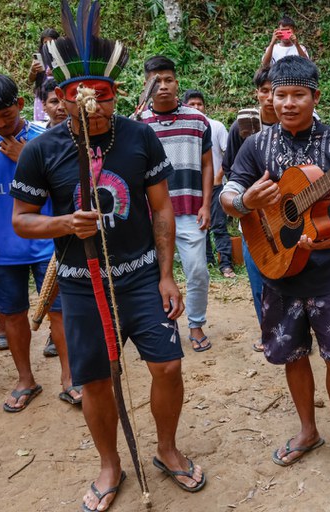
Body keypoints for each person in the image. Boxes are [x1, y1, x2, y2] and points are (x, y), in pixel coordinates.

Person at [11, 11, 205, 508]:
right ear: (65, 98)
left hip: (140, 276)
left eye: (104, 99)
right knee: (95, 380)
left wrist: (167, 276)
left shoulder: (137, 136)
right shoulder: (43, 149)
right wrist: (64, 224)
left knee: (168, 367)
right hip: (81, 283)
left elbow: (160, 207)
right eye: (83, 100)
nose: (95, 111)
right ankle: (110, 464)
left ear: (117, 95)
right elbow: (22, 220)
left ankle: (166, 448)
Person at [221, 56, 330, 469]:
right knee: (293, 354)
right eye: (279, 94)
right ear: (269, 96)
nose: (287, 102)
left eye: (297, 95)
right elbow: (229, 194)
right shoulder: (257, 144)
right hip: (279, 269)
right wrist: (245, 200)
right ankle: (308, 428)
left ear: (314, 97)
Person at [0, 73, 80, 410]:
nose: (1, 124)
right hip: (1, 248)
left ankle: (70, 378)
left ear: (21, 104)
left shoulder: (49, 138)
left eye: (7, 115)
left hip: (50, 243)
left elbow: (68, 186)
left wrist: (26, 155)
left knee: (61, 311)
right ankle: (25, 379)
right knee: (11, 314)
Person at [140, 56, 214, 353]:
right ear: (146, 85)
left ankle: (195, 323)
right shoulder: (138, 124)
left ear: (177, 83)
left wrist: (206, 204)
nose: (163, 86)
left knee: (197, 270)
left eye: (168, 79)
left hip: (188, 210)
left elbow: (208, 165)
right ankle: (161, 323)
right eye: (155, 81)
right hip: (149, 215)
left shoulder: (197, 121)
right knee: (153, 272)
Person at [222, 66, 278, 353]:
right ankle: (267, 331)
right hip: (253, 214)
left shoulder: (297, 123)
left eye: (275, 90)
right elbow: (230, 169)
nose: (270, 98)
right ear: (257, 93)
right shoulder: (243, 125)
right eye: (264, 91)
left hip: (288, 211)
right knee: (258, 276)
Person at [182, 89, 233, 276]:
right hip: (194, 189)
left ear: (205, 106)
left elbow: (229, 154)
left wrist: (219, 177)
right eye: (192, 104)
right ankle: (208, 262)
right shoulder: (184, 128)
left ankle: (226, 264)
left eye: (199, 104)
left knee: (219, 226)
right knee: (199, 227)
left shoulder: (216, 126)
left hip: (216, 186)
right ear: (185, 106)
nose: (196, 107)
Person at [28, 28, 60, 122]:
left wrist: (55, 73)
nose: (48, 46)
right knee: (41, 123)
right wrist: (33, 70)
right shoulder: (40, 58)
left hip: (56, 95)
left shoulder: (62, 58)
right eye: (45, 43)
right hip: (41, 95)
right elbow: (30, 80)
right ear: (42, 44)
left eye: (52, 42)